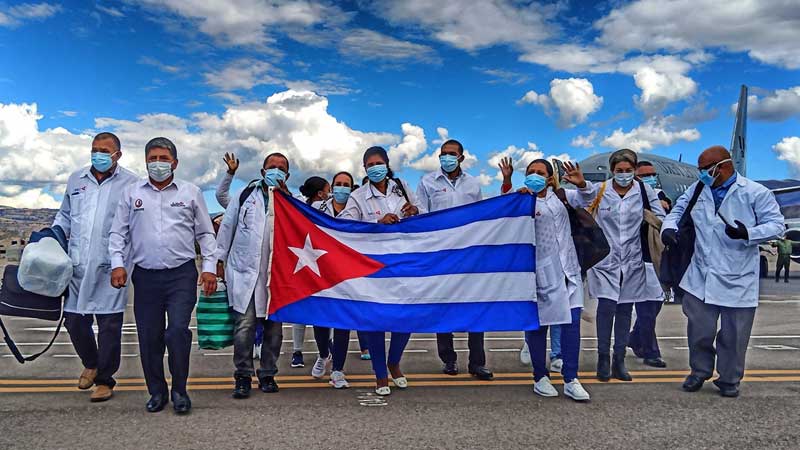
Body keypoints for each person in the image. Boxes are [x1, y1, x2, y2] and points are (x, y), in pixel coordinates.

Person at [662, 145, 784, 397]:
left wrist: (748, 233)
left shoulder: (755, 192)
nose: (702, 174)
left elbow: (776, 225)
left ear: (724, 166)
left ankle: (729, 380)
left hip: (737, 276)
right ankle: (699, 371)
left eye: (706, 169)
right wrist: (669, 228)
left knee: (734, 335)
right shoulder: (698, 190)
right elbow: (677, 210)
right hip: (700, 274)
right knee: (699, 330)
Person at [109, 137, 218, 414]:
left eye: (163, 158)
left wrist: (208, 269)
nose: (158, 164)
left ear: (175, 163)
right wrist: (117, 264)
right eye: (153, 158)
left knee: (178, 332)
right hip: (145, 278)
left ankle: (180, 390)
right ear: (146, 162)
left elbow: (205, 233)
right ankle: (157, 392)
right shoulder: (132, 193)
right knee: (150, 337)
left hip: (181, 275)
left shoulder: (190, 193)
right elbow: (118, 233)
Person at [52, 132, 139, 403]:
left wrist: (126, 261)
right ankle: (91, 362)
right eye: (94, 149)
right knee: (75, 320)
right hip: (77, 263)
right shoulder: (76, 180)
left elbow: (135, 226)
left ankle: (105, 380)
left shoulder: (131, 183)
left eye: (104, 150)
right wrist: (52, 237)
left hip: (112, 264)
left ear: (117, 155)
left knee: (110, 324)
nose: (98, 154)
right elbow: (65, 215)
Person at [340, 146, 424, 395]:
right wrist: (376, 223)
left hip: (402, 262)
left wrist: (415, 211)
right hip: (372, 265)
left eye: (379, 163)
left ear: (387, 164)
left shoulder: (402, 187)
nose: (375, 168)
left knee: (405, 316)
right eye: (369, 165)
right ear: (365, 169)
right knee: (374, 320)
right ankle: (380, 374)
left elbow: (423, 213)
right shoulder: (357, 196)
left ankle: (394, 362)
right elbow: (345, 224)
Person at [513, 158, 593, 401]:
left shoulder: (562, 196)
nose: (534, 176)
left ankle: (571, 378)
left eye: (539, 172)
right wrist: (516, 195)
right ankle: (540, 376)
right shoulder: (524, 199)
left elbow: (586, 199)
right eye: (530, 172)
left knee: (572, 325)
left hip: (568, 270)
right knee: (540, 326)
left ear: (549, 177)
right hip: (541, 272)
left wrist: (581, 184)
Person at [214, 152, 292, 399]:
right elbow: (227, 227)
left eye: (281, 169)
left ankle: (268, 374)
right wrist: (218, 260)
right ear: (262, 171)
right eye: (272, 167)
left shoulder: (292, 202)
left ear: (287, 176)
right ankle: (243, 375)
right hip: (244, 272)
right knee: (244, 327)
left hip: (275, 277)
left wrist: (288, 199)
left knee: (274, 330)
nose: (276, 172)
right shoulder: (246, 195)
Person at [584, 149, 666, 382]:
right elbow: (579, 203)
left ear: (634, 170)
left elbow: (659, 216)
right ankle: (602, 359)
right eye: (619, 171)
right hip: (606, 260)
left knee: (624, 311)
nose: (624, 174)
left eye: (628, 170)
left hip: (633, 258)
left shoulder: (643, 190)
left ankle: (618, 361)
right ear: (612, 171)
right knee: (606, 308)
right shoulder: (601, 190)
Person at [416, 139, 493, 380]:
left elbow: (481, 216)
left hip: (469, 255)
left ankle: (477, 363)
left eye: (451, 154)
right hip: (441, 254)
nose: (446, 158)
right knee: (444, 306)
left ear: (461, 157)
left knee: (474, 308)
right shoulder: (427, 182)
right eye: (443, 154)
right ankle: (448, 360)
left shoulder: (472, 184)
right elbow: (421, 217)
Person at [308, 171, 366, 388]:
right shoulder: (317, 208)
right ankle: (324, 354)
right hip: (321, 271)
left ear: (352, 188)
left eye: (346, 185)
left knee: (343, 322)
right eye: (338, 184)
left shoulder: (357, 210)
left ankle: (338, 370)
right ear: (331, 188)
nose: (342, 188)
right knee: (320, 320)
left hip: (346, 273)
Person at [627, 161, 669, 368]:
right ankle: (651, 351)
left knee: (654, 305)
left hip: (653, 257)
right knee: (645, 308)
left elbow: (665, 211)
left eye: (652, 174)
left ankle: (634, 337)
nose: (649, 178)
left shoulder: (657, 194)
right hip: (634, 259)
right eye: (644, 176)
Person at [290, 176, 332, 371]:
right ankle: (322, 350)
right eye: (329, 189)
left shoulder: (298, 206)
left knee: (306, 310)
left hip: (307, 263)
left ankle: (303, 351)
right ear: (320, 193)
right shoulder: (304, 206)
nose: (332, 193)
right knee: (321, 312)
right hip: (310, 263)